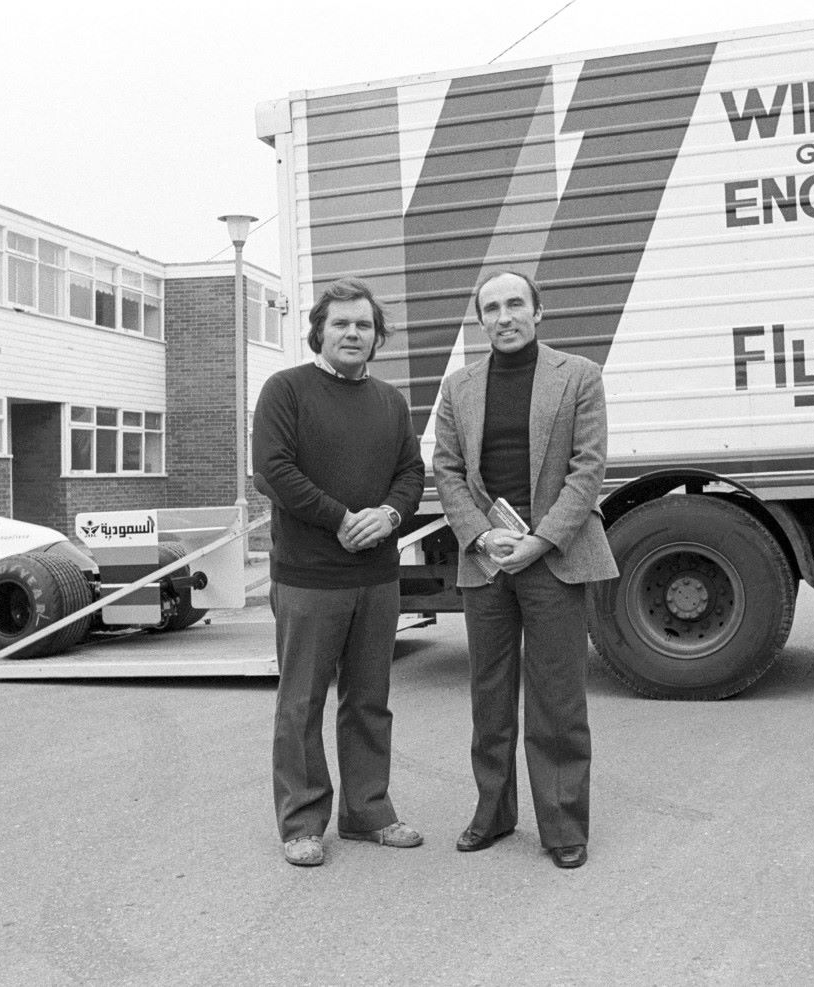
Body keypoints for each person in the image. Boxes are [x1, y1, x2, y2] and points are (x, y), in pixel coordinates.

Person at [432, 270, 618, 869]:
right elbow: (448, 471)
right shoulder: (458, 387)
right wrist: (482, 534)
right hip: (487, 561)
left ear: (540, 311)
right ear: (480, 320)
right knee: (488, 697)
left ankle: (563, 825)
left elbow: (588, 471)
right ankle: (493, 812)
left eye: (516, 304)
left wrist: (539, 541)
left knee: (557, 699)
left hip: (554, 560)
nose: (504, 316)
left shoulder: (579, 377)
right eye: (491, 307)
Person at [252, 276, 426, 867]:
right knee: (300, 702)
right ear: (318, 333)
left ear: (377, 338)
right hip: (308, 579)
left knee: (369, 700)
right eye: (341, 324)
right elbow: (272, 470)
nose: (353, 333)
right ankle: (302, 822)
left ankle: (367, 812)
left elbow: (411, 472)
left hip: (376, 578)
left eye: (364, 325)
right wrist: (340, 518)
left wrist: (389, 514)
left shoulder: (390, 401)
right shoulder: (286, 391)